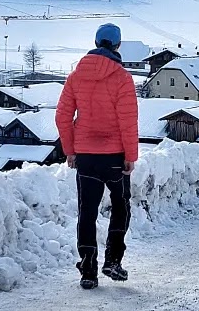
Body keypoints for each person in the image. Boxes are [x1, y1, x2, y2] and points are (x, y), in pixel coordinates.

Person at [56, 23, 139, 290]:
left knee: (87, 211)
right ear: (118, 45)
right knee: (121, 205)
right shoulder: (123, 78)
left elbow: (62, 117)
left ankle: (88, 269)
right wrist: (130, 155)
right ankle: (113, 260)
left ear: (95, 41)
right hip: (115, 155)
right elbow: (128, 121)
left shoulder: (75, 76)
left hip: (86, 156)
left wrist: (70, 150)